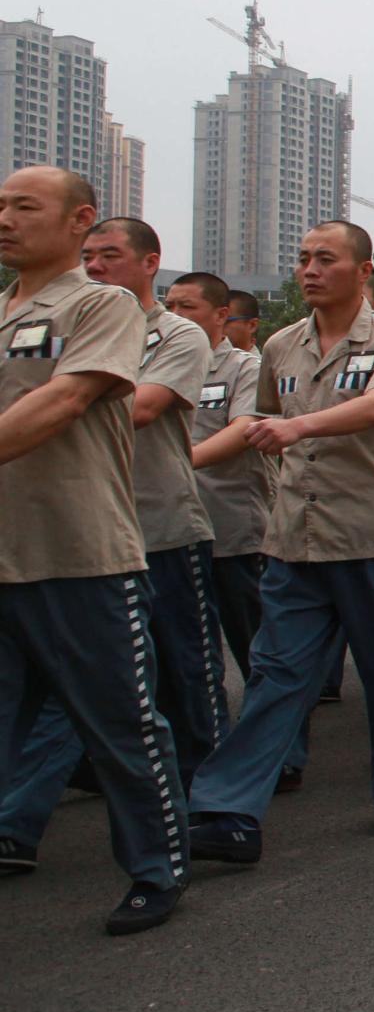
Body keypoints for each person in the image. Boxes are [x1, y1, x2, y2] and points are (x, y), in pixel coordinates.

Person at [185, 219, 374, 862]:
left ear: (362, 269)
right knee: (275, 673)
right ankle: (229, 809)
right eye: (301, 259)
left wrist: (301, 430)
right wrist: (184, 461)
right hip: (295, 535)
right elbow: (260, 420)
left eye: (325, 258)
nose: (309, 269)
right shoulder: (282, 347)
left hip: (372, 534)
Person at [0, 167, 187, 932]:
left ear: (81, 221)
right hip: (7, 551)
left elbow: (67, 396)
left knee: (122, 722)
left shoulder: (99, 304)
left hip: (79, 551)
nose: (5, 218)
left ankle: (155, 866)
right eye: (0, 206)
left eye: (23, 206)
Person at [79, 220, 225, 777]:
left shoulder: (177, 334)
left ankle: (211, 785)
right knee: (101, 665)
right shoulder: (74, 327)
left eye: (109, 255)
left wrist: (56, 403)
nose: (95, 267)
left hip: (159, 522)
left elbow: (139, 409)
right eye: (87, 256)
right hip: (89, 526)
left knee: (188, 663)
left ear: (149, 264)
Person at [167, 271, 273, 682]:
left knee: (252, 637)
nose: (175, 315)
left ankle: (274, 724)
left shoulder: (245, 367)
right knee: (187, 641)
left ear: (221, 314)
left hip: (231, 527)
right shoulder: (159, 364)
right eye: (170, 306)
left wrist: (177, 463)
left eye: (187, 307)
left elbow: (244, 429)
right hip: (173, 525)